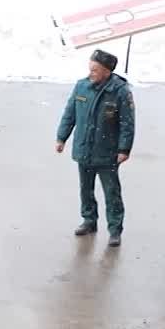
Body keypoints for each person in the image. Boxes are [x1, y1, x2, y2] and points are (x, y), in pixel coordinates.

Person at [56, 48, 135, 247]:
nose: (90, 73)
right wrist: (61, 138)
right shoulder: (81, 87)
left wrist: (124, 149)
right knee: (86, 190)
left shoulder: (120, 91)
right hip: (84, 150)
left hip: (107, 153)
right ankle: (89, 221)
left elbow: (127, 123)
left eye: (95, 70)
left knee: (111, 193)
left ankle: (115, 230)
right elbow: (70, 114)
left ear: (107, 72)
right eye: (90, 68)